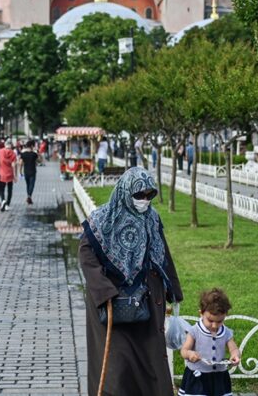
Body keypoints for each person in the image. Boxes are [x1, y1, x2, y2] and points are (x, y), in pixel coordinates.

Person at [79, 167, 183, 396]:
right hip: (113, 303)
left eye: (149, 195)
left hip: (146, 300)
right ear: (126, 192)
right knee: (118, 365)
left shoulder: (152, 218)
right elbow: (86, 253)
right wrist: (105, 291)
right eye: (139, 195)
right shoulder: (103, 219)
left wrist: (173, 289)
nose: (144, 200)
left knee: (150, 360)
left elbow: (162, 253)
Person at [178, 288, 241, 396]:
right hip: (198, 376)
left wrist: (235, 355)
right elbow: (183, 350)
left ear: (225, 315)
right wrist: (189, 354)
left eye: (219, 321)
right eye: (210, 320)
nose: (214, 325)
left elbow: (233, 348)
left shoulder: (226, 332)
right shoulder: (194, 331)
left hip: (219, 377)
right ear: (201, 313)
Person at [0, 140, 18, 211]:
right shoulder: (13, 153)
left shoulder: (0, 151)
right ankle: (8, 204)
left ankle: (3, 200)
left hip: (1, 173)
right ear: (11, 145)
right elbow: (14, 165)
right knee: (10, 189)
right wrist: (15, 176)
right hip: (10, 173)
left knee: (1, 189)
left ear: (5, 145)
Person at [20, 140, 40, 205]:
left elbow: (21, 163)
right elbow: (39, 160)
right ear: (32, 146)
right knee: (32, 184)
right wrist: (37, 152)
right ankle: (29, 196)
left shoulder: (23, 154)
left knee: (28, 185)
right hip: (33, 171)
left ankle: (29, 196)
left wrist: (20, 171)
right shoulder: (34, 154)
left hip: (26, 171)